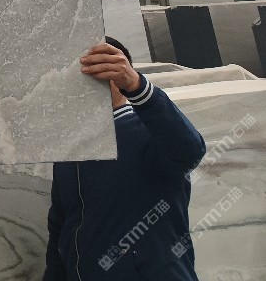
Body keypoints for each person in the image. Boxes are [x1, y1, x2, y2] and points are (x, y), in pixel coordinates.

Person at [43, 37, 206, 280]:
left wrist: (138, 86)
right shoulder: (71, 150)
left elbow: (190, 150)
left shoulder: (148, 133)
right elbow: (60, 229)